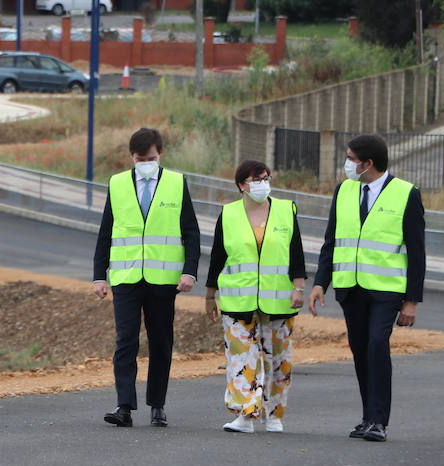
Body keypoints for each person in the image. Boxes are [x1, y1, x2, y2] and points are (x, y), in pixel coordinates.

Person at [308, 133, 427, 443]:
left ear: (368, 163)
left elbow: (417, 252)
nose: (347, 164)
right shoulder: (345, 191)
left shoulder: (406, 194)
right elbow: (331, 241)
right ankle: (367, 417)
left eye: (351, 159)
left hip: (386, 291)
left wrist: (412, 300)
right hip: (350, 287)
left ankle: (378, 420)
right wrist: (321, 282)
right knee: (360, 350)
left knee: (377, 344)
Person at [92, 127, 201, 427]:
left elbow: (191, 232)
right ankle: (124, 406)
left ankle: (158, 405)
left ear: (160, 154)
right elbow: (106, 232)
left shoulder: (176, 183)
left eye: (151, 158)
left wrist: (189, 271)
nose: (146, 163)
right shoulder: (117, 184)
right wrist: (98, 276)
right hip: (126, 277)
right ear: (132, 157)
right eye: (141, 159)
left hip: (162, 280)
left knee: (161, 342)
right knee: (125, 342)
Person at [204, 160, 306, 433]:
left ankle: (273, 415)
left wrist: (299, 288)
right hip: (238, 299)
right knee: (241, 359)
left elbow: (296, 252)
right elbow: (217, 256)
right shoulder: (228, 214)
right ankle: (245, 414)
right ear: (241, 185)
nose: (262, 183)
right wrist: (209, 294)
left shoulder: (285, 210)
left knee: (278, 360)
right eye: (255, 179)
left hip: (278, 300)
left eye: (265, 177)